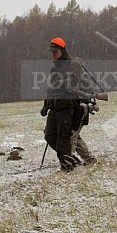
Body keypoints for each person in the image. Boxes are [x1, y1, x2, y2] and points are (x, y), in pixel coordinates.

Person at [41, 37, 96, 172]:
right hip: (55, 106)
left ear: (63, 50)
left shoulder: (74, 63)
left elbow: (73, 81)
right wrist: (46, 105)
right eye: (51, 51)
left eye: (55, 51)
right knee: (49, 135)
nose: (53, 54)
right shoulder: (54, 68)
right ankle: (74, 158)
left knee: (64, 137)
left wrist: (56, 84)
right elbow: (51, 90)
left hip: (68, 106)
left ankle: (67, 166)